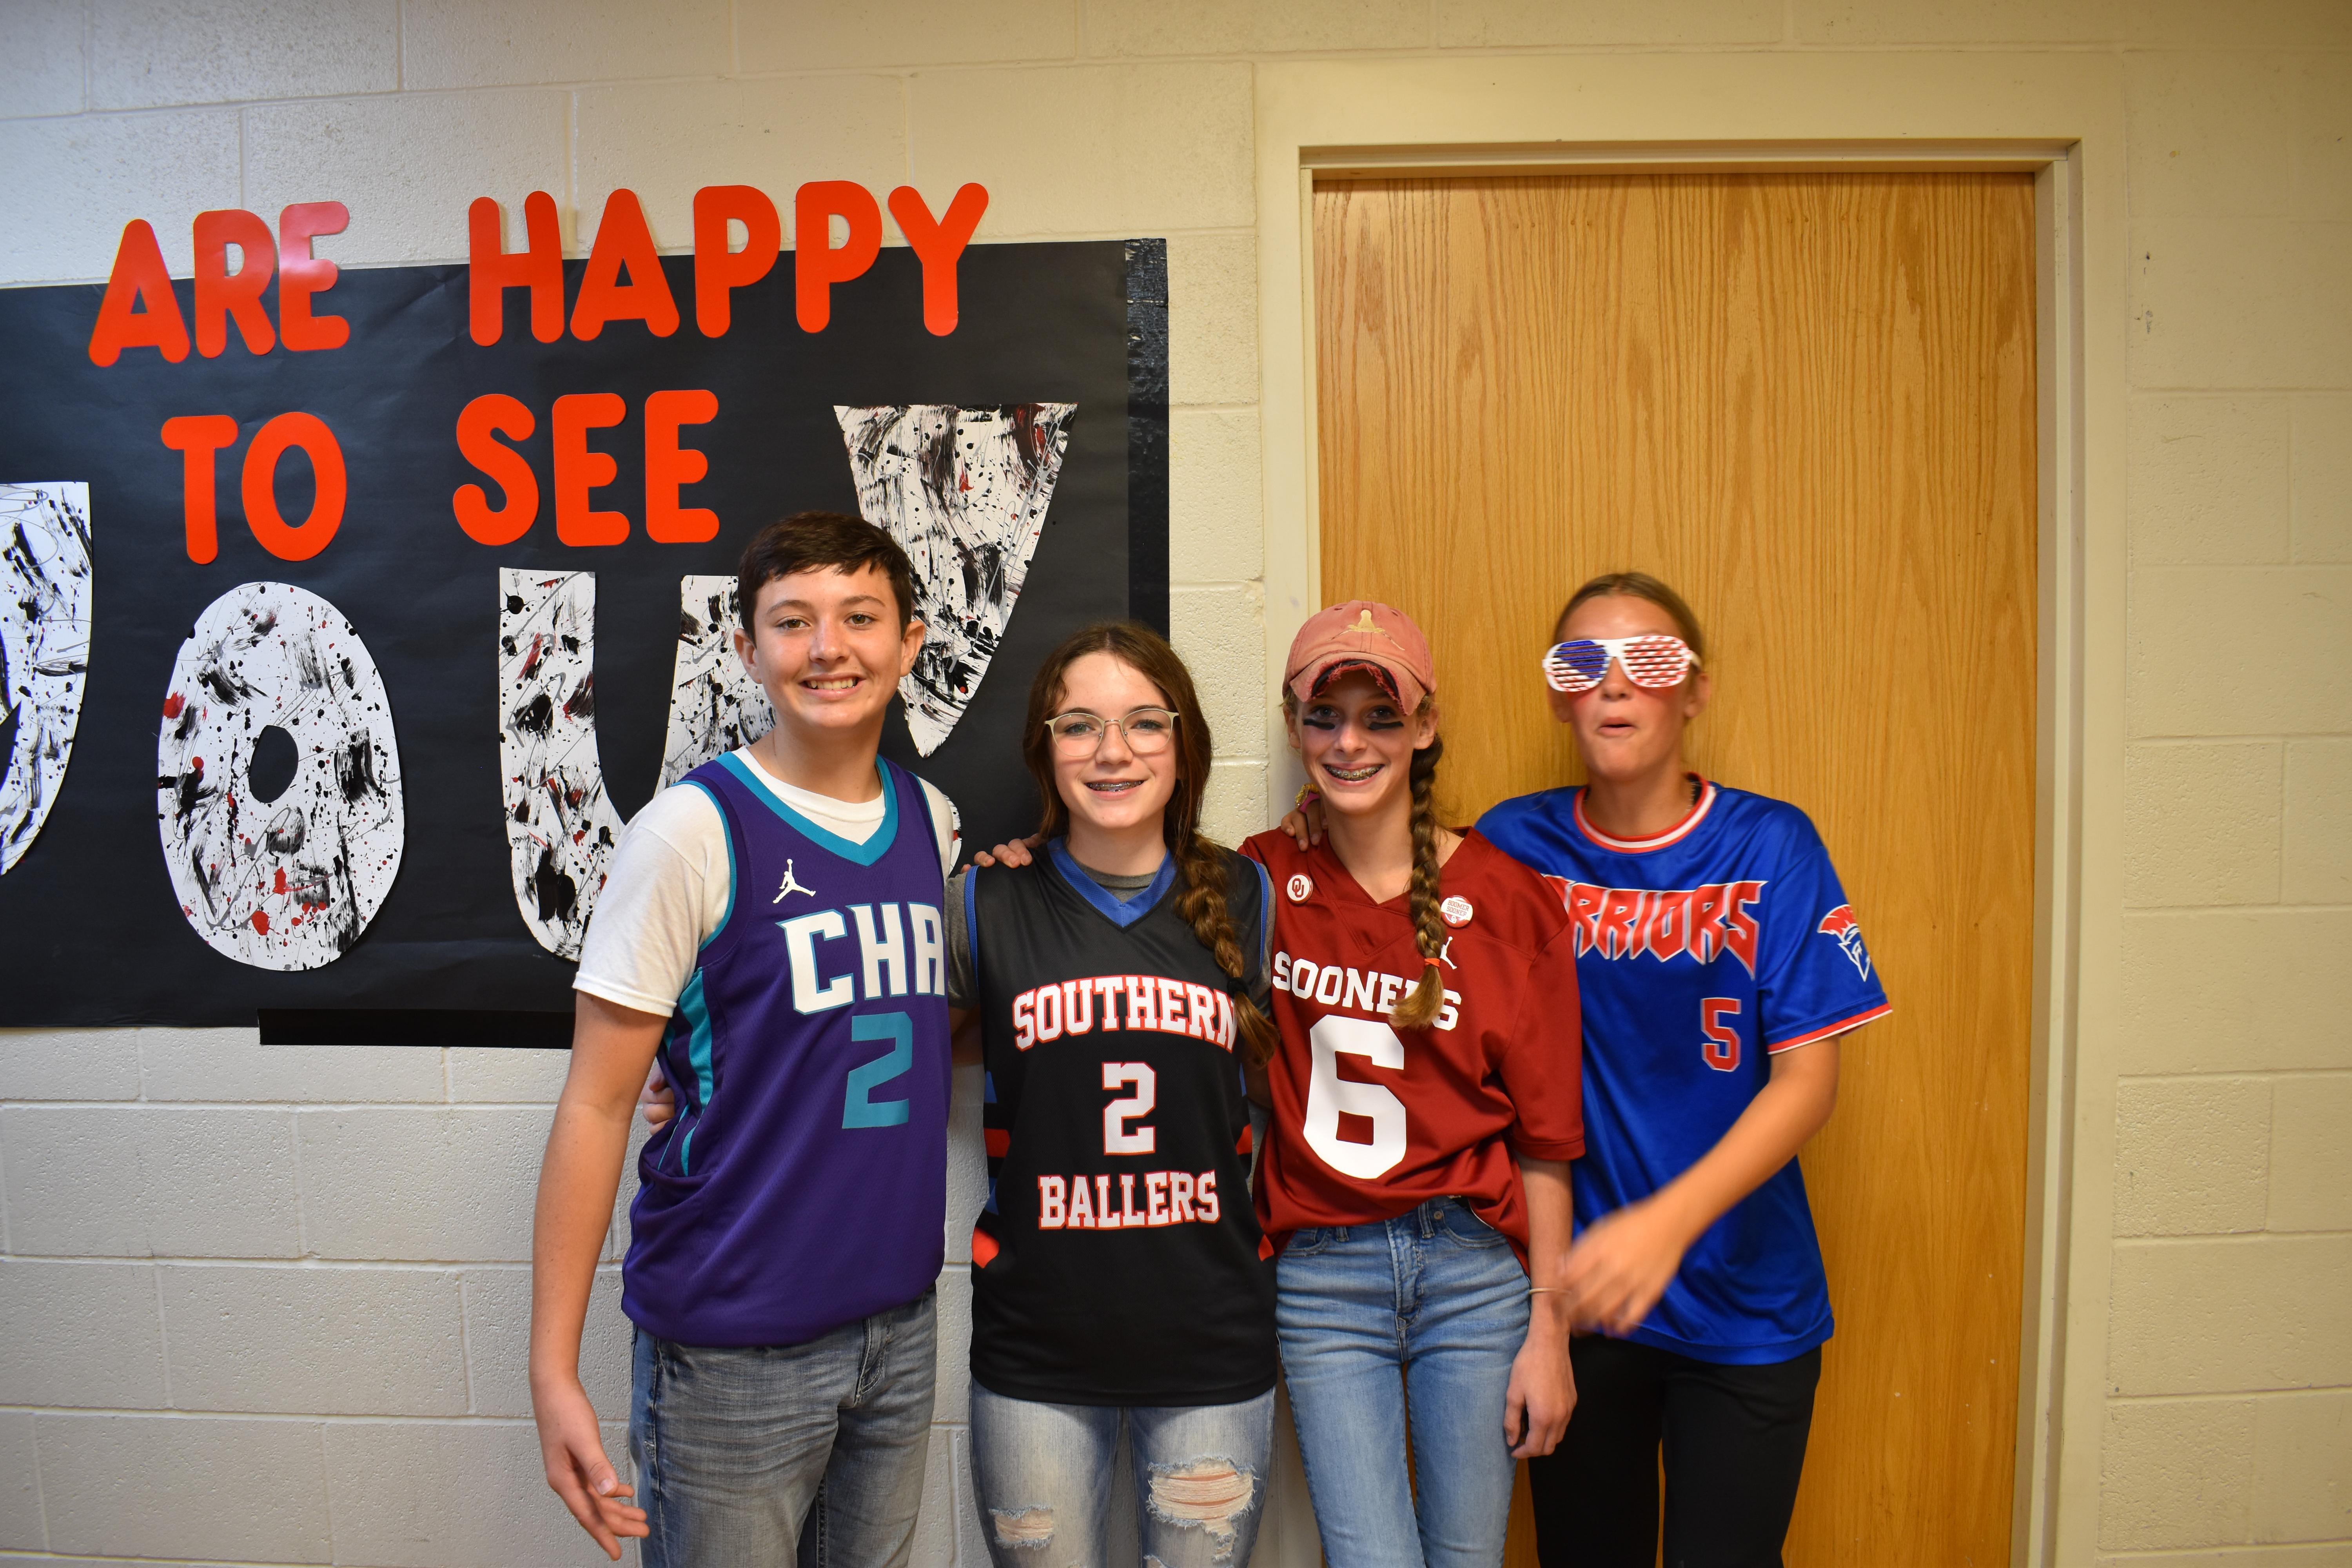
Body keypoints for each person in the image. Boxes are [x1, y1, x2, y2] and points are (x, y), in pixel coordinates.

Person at [654, 620, 1284, 1568]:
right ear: (1043, 749)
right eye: (1079, 726)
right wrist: (705, 1080)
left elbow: (1289, 1083)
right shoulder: (985, 901)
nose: (1112, 751)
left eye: (1144, 723)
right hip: (1038, 1344)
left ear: (1184, 742)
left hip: (1213, 1337)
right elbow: (879, 1035)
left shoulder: (1250, 895)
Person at [529, 512, 962, 1566]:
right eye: (793, 622)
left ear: (909, 644)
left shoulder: (935, 823)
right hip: (733, 1344)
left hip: (898, 1327)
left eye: (861, 618)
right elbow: (595, 1102)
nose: (829, 649)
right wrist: (551, 1370)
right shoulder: (688, 834)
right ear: (747, 650)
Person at [1472, 573, 1892, 1567]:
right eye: (1582, 663)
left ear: (1695, 690)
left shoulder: (1772, 845)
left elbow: (1808, 1083)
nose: (1614, 685)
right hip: (1583, 1306)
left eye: (1650, 661)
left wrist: (1665, 1223)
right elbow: (1383, 891)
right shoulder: (1509, 845)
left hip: (1747, 1306)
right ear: (1557, 696)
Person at [1246, 601, 1585, 1568]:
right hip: (1323, 1276)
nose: (1350, 742)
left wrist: (1550, 1328)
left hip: (1475, 1273)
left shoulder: (1512, 900)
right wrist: (1024, 864)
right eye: (1325, 716)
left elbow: (1547, 1142)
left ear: (1424, 725)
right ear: (1294, 725)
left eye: (1380, 716)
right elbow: (1125, 895)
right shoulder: (1259, 881)